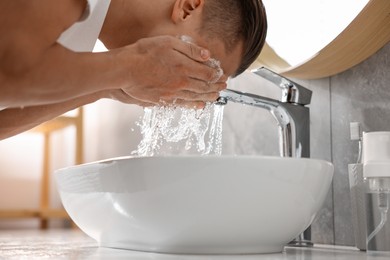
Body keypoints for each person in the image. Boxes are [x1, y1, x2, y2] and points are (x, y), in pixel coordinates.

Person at [0, 0, 267, 140]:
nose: (185, 83)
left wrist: (110, 87)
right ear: (188, 7)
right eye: (199, 64)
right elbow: (9, 72)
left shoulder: (83, 29)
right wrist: (131, 65)